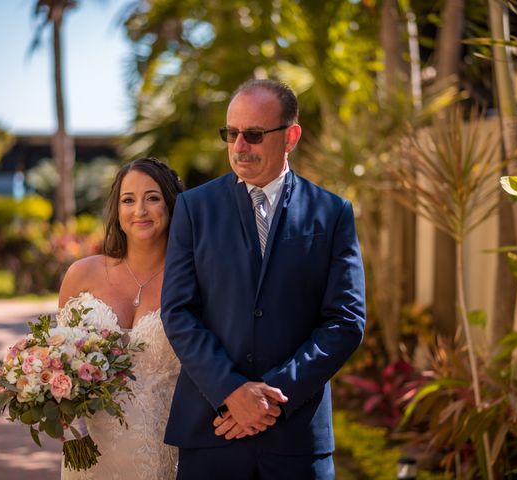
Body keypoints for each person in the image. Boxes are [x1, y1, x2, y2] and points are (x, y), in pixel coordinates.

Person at [161, 79, 366, 479]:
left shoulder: (332, 212)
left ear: (290, 136)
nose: (239, 146)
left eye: (253, 135)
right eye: (231, 133)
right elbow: (179, 311)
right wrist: (231, 392)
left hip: (297, 439)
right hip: (212, 430)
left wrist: (270, 399)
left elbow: (345, 320)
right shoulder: (193, 209)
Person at [58, 157, 184, 480]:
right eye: (128, 200)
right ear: (117, 210)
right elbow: (56, 357)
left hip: (158, 454)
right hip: (86, 454)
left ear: (171, 205)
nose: (139, 210)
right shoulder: (81, 274)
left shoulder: (190, 282)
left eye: (152, 198)